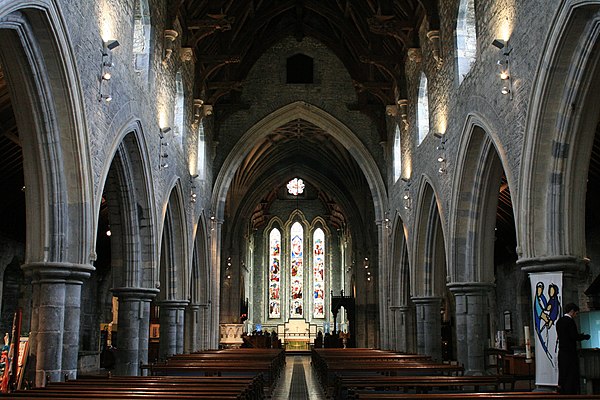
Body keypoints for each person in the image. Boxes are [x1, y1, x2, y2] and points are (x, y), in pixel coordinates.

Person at [556, 303, 590, 394]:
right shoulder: (570, 321)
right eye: (576, 313)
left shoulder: (559, 321)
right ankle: (571, 394)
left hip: (562, 352)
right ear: (572, 311)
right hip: (570, 353)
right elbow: (573, 336)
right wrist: (584, 337)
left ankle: (562, 391)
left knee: (563, 373)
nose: (576, 315)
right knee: (571, 375)